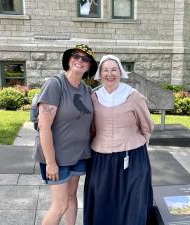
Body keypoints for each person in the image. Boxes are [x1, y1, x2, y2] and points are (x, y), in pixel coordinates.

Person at [84, 55, 154, 225]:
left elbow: (147, 125)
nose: (110, 74)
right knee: (102, 199)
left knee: (132, 200)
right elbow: (92, 127)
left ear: (120, 72)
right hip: (101, 158)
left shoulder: (133, 96)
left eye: (114, 69)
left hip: (133, 156)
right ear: (100, 74)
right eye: (105, 70)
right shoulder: (94, 97)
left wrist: (134, 144)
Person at [33, 44, 97, 225]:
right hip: (56, 157)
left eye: (85, 59)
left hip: (78, 154)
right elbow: (44, 127)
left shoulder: (86, 90)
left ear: (89, 66)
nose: (80, 60)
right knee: (59, 205)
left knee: (71, 197)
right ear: (68, 60)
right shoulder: (55, 84)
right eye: (76, 56)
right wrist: (51, 162)